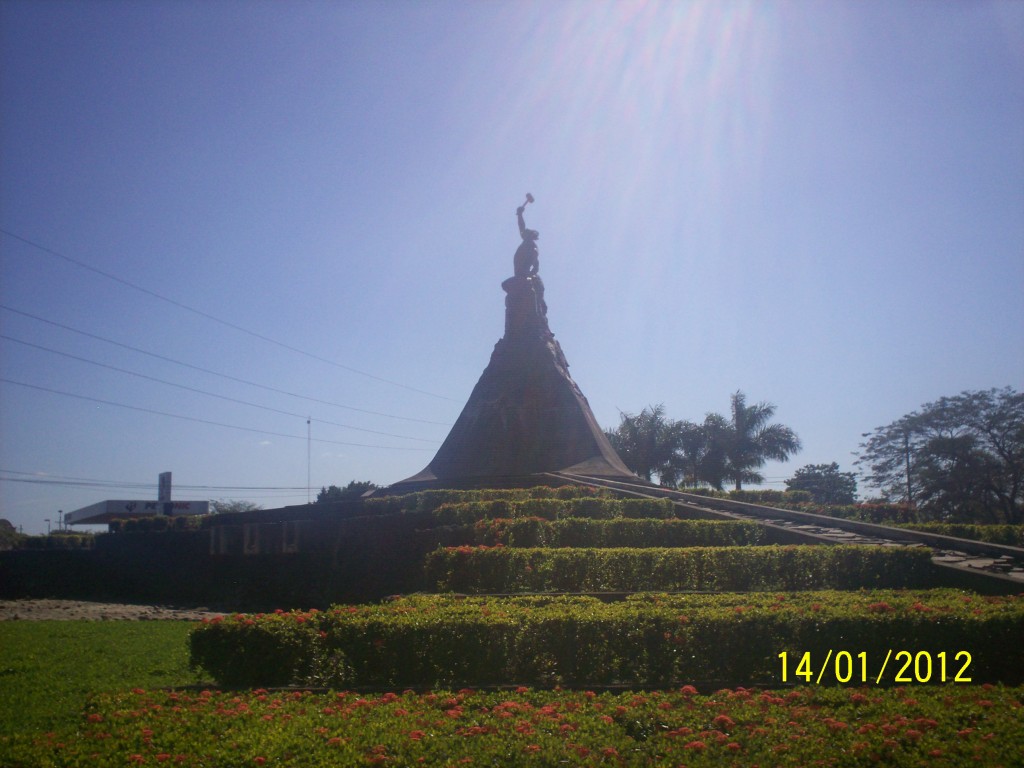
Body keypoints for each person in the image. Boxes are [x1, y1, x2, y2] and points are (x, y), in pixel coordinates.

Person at [513, 204, 539, 277]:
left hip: (523, 272)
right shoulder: (528, 243)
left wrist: (519, 214)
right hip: (520, 272)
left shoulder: (532, 246)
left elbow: (536, 265)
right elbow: (521, 227)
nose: (524, 233)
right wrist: (519, 214)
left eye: (527, 232)